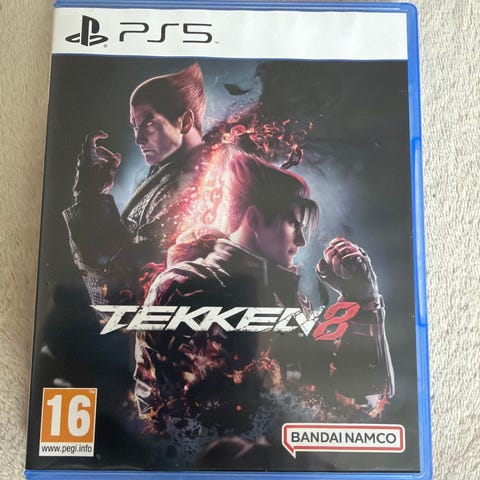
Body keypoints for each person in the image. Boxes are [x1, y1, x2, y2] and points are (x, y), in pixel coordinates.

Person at [134, 151, 394, 438]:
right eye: (293, 223)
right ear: (255, 219)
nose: (301, 240)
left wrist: (363, 304)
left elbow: (357, 401)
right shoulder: (182, 287)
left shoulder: (296, 305)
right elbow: (162, 412)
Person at [63, 64, 208, 306]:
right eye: (134, 126)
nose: (138, 139)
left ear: (184, 121)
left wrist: (88, 197)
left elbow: (124, 291)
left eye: (148, 123)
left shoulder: (194, 186)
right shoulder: (170, 175)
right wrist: (92, 196)